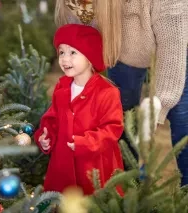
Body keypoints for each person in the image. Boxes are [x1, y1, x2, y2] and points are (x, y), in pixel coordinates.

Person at [55, 0, 188, 185]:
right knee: (121, 116)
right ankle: (128, 187)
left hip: (177, 40)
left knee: (183, 120)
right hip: (124, 47)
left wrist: (160, 103)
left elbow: (173, 46)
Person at [34, 24, 124, 195]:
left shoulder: (107, 93)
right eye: (61, 52)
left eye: (73, 52)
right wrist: (46, 137)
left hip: (95, 169)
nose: (65, 59)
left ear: (90, 56)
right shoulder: (62, 88)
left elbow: (112, 129)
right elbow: (52, 119)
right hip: (63, 165)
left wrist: (84, 143)